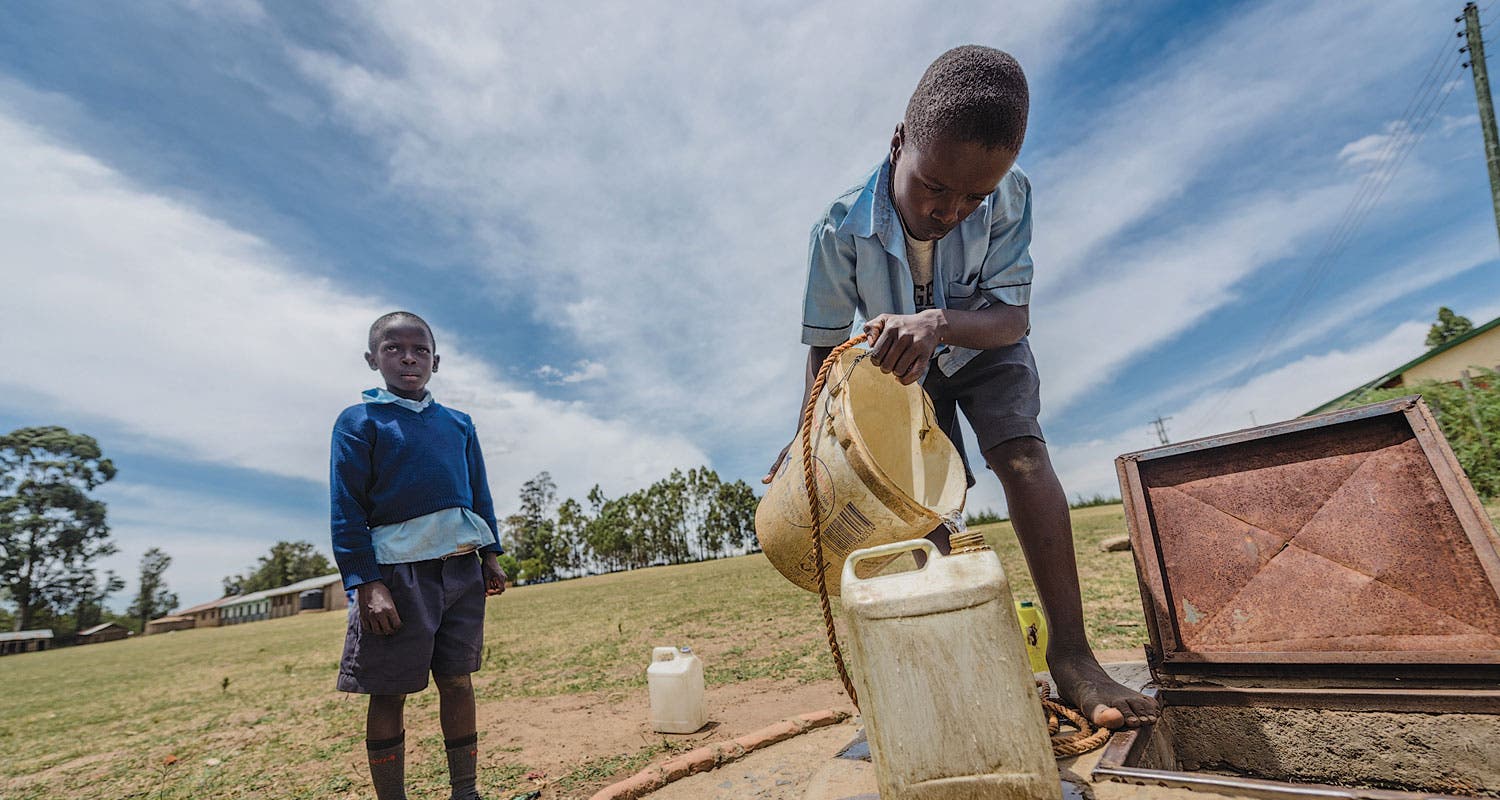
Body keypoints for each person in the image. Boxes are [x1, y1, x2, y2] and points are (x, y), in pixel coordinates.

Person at [765, 46, 1158, 729]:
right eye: (935, 187)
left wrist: (938, 323)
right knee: (925, 509)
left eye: (973, 197)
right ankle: (989, 662)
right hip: (902, 372)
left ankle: (1072, 656)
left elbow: (1014, 318)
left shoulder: (1009, 195)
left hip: (983, 340)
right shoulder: (838, 230)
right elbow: (825, 348)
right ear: (899, 143)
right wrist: (806, 437)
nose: (952, 210)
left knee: (1022, 455)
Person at [330, 311, 509, 800]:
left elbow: (478, 492)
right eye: (393, 348)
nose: (408, 358)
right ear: (372, 359)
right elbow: (346, 509)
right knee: (389, 691)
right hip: (396, 577)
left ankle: (465, 792)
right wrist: (367, 583)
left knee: (458, 680)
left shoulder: (458, 424)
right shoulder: (359, 421)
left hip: (460, 569)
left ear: (436, 361)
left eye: (420, 350)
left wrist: (490, 554)